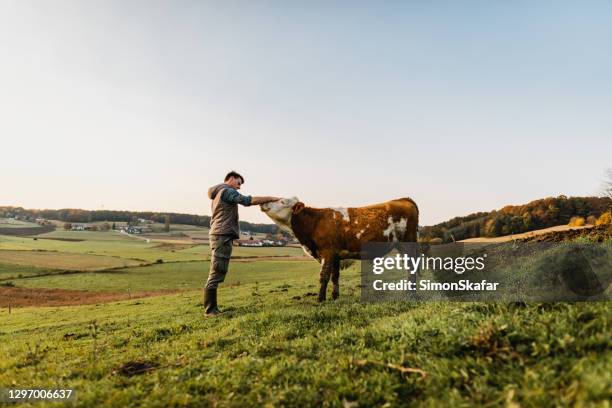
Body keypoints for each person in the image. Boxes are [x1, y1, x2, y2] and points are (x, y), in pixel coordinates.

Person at [204, 171, 279, 316]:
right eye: (238, 183)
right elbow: (246, 201)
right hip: (221, 234)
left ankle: (212, 308)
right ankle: (210, 310)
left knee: (218, 269)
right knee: (217, 270)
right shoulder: (226, 191)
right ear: (231, 179)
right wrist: (270, 198)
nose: (239, 187)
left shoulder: (219, 193)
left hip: (219, 234)